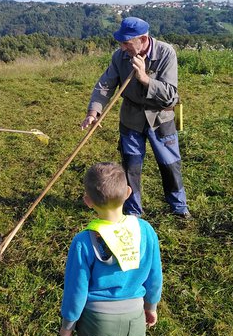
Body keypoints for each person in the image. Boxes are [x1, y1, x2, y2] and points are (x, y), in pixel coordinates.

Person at [59, 162, 162, 336]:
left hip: (95, 319)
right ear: (128, 192)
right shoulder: (146, 231)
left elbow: (75, 290)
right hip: (134, 315)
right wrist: (151, 306)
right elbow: (155, 276)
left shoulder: (83, 242)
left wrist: (68, 323)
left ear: (87, 201)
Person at [81, 17, 190, 218]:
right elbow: (105, 85)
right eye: (121, 43)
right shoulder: (119, 57)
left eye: (127, 43)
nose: (123, 48)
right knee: (131, 166)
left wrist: (145, 79)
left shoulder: (166, 53)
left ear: (143, 39)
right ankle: (133, 211)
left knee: (169, 164)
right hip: (131, 119)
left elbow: (170, 96)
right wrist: (93, 112)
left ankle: (179, 207)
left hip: (160, 119)